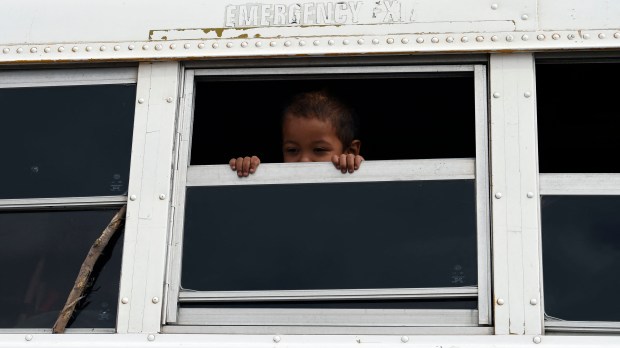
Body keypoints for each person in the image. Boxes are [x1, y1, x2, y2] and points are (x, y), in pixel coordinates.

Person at [229, 90, 363, 177]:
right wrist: (247, 169)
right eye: (292, 150)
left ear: (350, 151)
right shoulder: (280, 183)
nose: (304, 160)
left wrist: (357, 168)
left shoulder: (351, 174)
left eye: (319, 149)